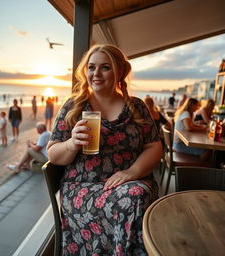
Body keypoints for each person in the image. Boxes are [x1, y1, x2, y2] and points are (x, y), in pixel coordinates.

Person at [47, 44, 162, 255]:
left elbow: (154, 146)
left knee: (136, 195)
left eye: (105, 67)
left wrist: (132, 172)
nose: (96, 74)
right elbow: (53, 154)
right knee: (134, 200)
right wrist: (72, 143)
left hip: (130, 181)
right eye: (91, 67)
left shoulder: (136, 106)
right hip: (84, 188)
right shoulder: (75, 106)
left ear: (119, 71)